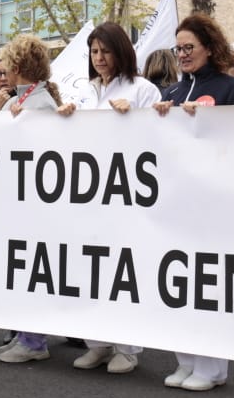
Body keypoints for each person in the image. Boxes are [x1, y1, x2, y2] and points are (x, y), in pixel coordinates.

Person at [153, 14, 234, 391]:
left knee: (207, 286)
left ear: (209, 47)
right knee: (177, 285)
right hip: (177, 203)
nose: (182, 55)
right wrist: (156, 117)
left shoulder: (230, 90)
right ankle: (186, 360)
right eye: (178, 49)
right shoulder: (173, 93)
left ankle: (212, 367)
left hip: (214, 204)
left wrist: (208, 122)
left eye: (189, 47)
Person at [0, 36, 76, 364]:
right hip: (18, 201)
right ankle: (25, 334)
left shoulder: (38, 103)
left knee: (28, 267)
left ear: (17, 67)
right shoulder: (25, 98)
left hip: (32, 203)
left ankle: (34, 340)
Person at [62, 22, 160, 375]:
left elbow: (159, 136)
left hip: (125, 192)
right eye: (94, 52)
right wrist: (64, 119)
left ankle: (127, 347)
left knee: (123, 269)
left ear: (121, 51)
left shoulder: (142, 89)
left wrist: (134, 117)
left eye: (105, 51)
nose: (99, 58)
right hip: (87, 193)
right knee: (89, 267)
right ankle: (97, 343)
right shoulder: (85, 91)